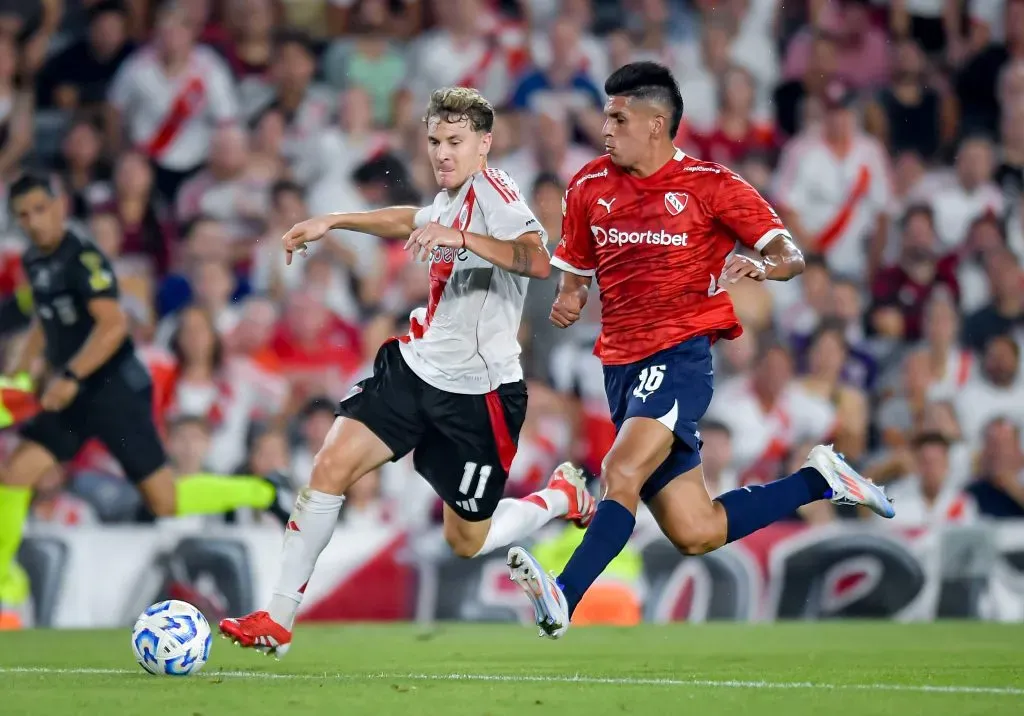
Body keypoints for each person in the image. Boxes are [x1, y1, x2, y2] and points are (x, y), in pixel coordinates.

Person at [505, 62, 896, 640]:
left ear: (656, 123)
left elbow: (790, 255)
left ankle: (566, 592)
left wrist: (759, 264)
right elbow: (575, 271)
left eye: (618, 116)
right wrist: (568, 298)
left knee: (620, 470)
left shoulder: (712, 185)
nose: (604, 126)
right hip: (620, 366)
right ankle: (819, 481)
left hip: (680, 357)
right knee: (696, 530)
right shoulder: (587, 185)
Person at [219, 87, 596, 656]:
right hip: (416, 368)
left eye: (455, 142)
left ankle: (561, 498)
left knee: (467, 539)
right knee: (329, 465)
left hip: (480, 395)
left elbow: (537, 258)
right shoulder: (450, 195)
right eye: (434, 141)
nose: (442, 153)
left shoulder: (498, 193)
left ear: (484, 144)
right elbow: (410, 219)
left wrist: (460, 238)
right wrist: (334, 220)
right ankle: (277, 619)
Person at [0, 173, 294, 608]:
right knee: (16, 474)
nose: (33, 222)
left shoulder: (83, 259)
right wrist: (23, 370)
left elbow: (113, 324)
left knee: (165, 500)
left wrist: (69, 377)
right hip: (76, 396)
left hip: (114, 391)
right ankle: (7, 581)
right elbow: (48, 320)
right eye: (23, 215)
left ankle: (265, 491)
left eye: (40, 210)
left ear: (59, 207)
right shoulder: (36, 262)